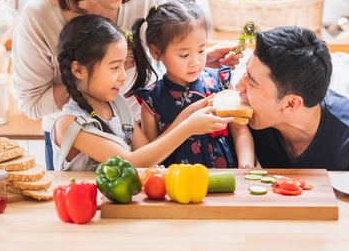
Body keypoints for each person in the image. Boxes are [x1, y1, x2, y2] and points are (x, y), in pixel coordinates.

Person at [12, 0, 242, 170]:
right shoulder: (39, 15)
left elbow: (163, 44)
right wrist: (93, 77)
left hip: (135, 127)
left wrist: (188, 57)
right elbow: (30, 104)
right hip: (77, 136)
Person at [52, 14, 232, 170]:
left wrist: (186, 116)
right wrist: (188, 127)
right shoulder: (68, 124)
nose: (123, 76)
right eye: (115, 67)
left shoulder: (118, 104)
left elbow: (150, 152)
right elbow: (131, 162)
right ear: (78, 70)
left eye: (124, 64)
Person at [235, 26, 349, 171]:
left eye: (251, 81)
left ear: (290, 104)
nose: (238, 86)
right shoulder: (253, 116)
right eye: (245, 73)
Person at [131, 1, 255, 169]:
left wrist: (246, 166)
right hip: (178, 181)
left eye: (201, 50)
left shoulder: (220, 82)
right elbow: (153, 153)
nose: (195, 62)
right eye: (184, 55)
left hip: (225, 176)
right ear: (156, 52)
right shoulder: (151, 100)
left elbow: (240, 130)